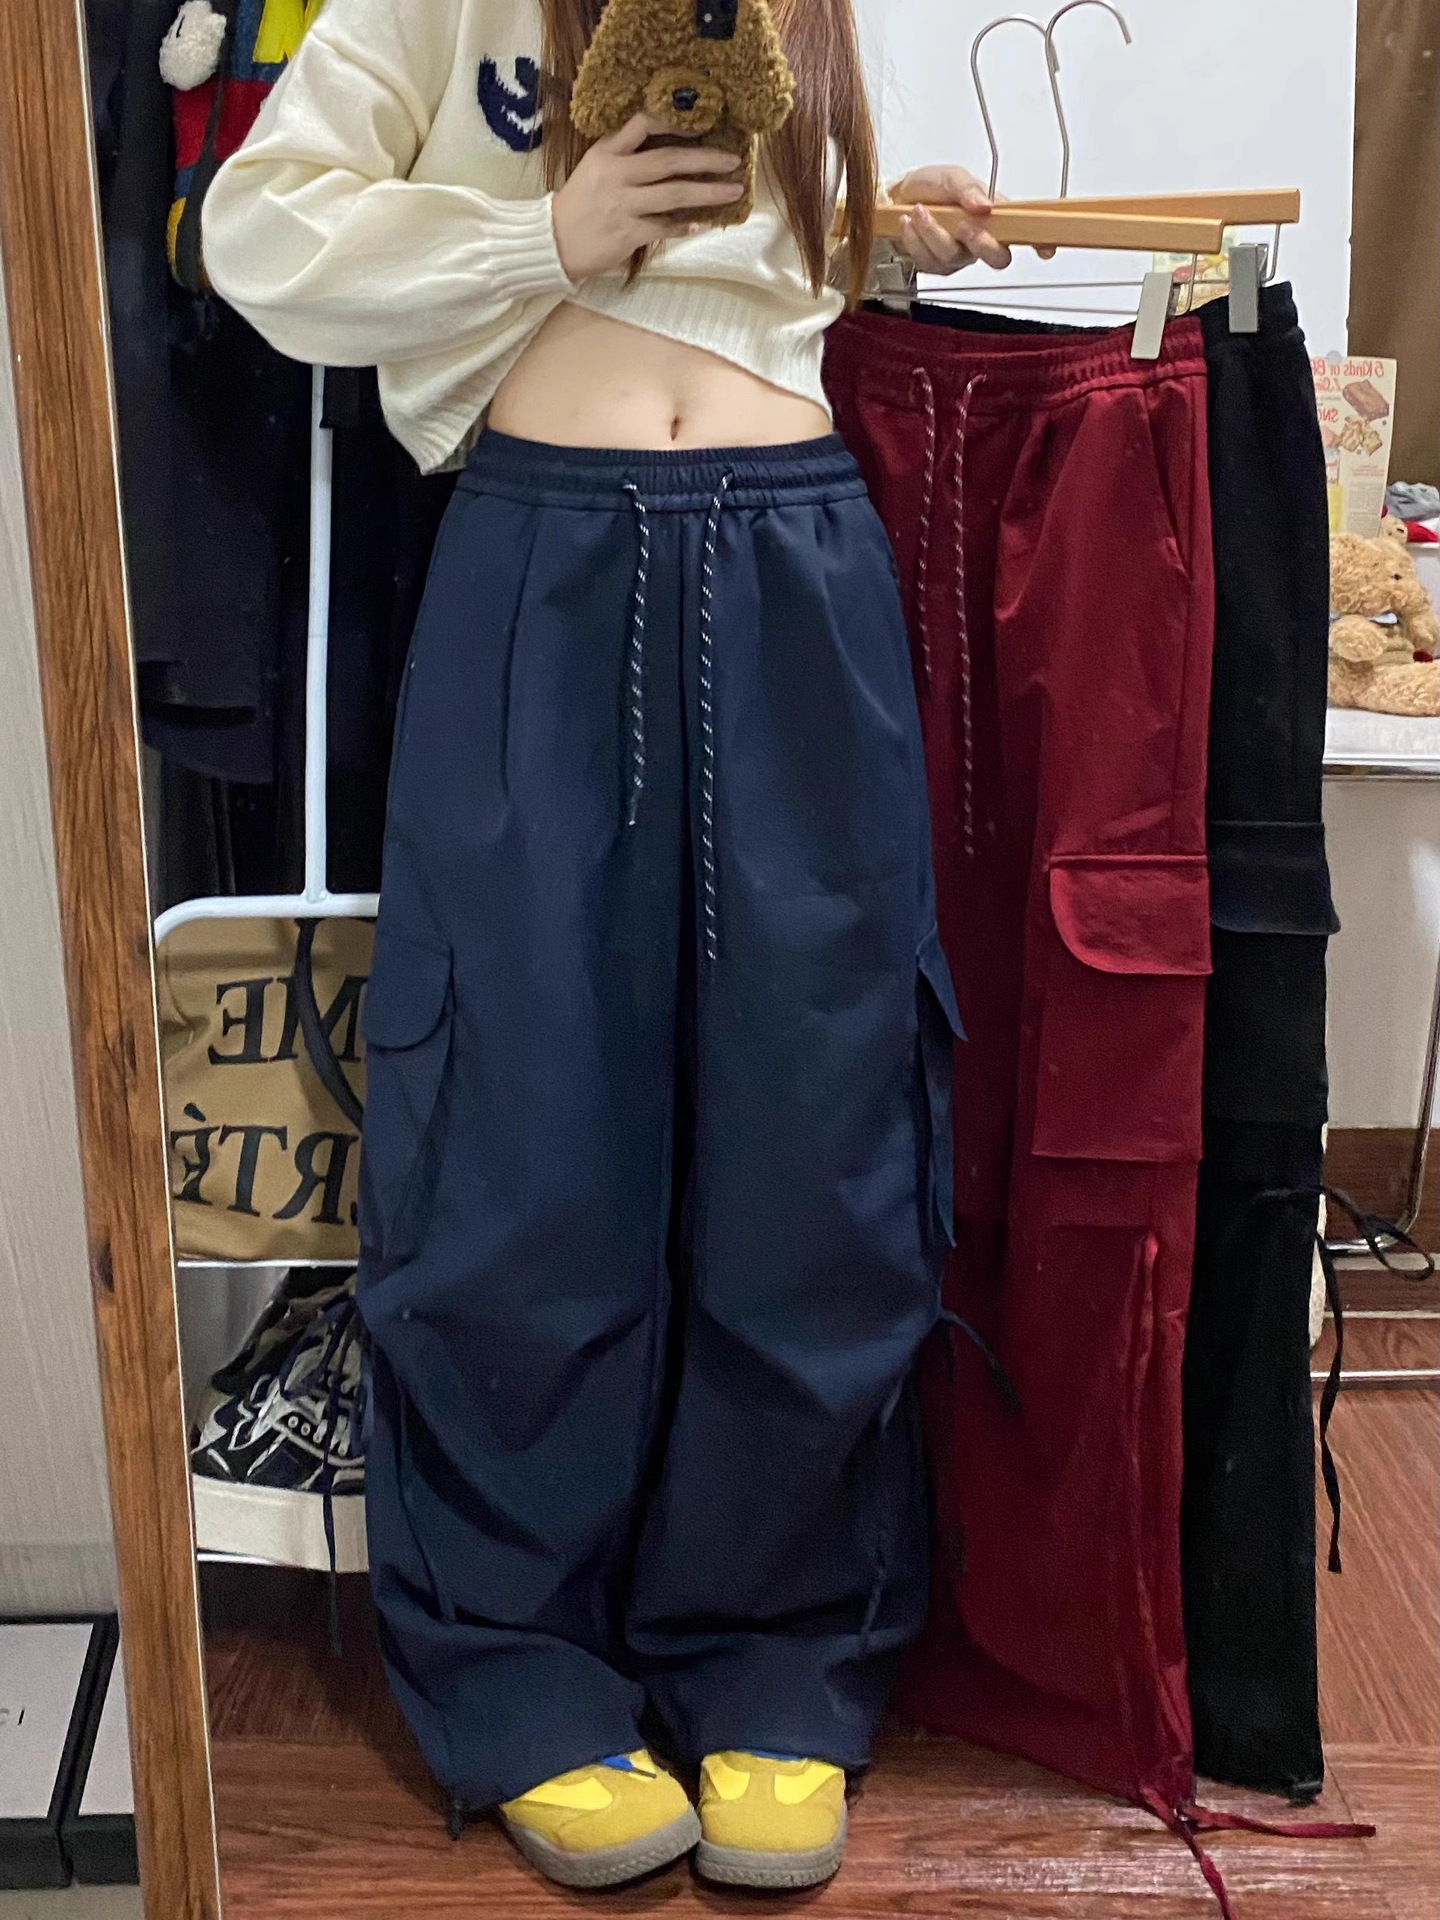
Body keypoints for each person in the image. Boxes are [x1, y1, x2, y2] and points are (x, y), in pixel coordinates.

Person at [202, 0, 1013, 1891]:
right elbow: (258, 232)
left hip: (799, 557)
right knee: (520, 1128)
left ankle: (780, 1654)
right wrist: (537, 237)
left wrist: (877, 219)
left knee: (814, 1127)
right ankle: (517, 1668)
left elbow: (761, 282)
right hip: (538, 561)